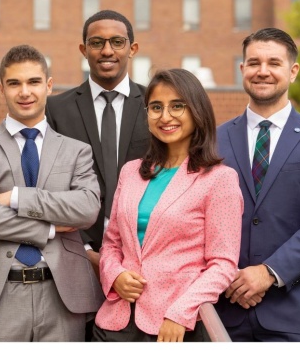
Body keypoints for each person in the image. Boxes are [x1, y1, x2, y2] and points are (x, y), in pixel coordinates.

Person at [0, 45, 103, 341]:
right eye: (15, 83)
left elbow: (87, 209)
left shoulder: (76, 151)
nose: (24, 92)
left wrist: (17, 197)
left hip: (62, 295)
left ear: (49, 86)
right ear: (1, 88)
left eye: (33, 82)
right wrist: (51, 228)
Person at [94, 69, 242, 342]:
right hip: (115, 324)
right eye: (156, 107)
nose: (165, 116)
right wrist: (115, 275)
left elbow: (222, 264)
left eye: (177, 106)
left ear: (197, 111)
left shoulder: (220, 180)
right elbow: (112, 243)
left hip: (174, 327)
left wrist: (180, 313)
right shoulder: (131, 172)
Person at [215, 28, 300, 341]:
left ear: (292, 71)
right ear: (242, 69)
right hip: (222, 311)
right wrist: (226, 277)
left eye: (274, 63)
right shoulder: (212, 141)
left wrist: (269, 272)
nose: (263, 71)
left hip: (294, 315)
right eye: (254, 62)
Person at [46, 10, 150, 277]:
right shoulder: (56, 110)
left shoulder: (156, 105)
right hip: (77, 254)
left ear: (132, 48)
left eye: (117, 42)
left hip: (146, 255)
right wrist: (85, 248)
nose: (107, 51)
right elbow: (48, 183)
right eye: (96, 43)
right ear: (83, 49)